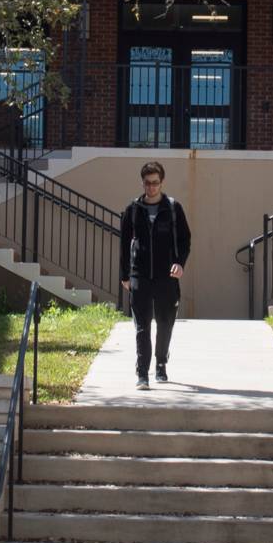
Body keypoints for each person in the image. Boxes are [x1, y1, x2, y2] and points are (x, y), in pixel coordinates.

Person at [118, 161, 190, 389]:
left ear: (162, 182)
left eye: (155, 183)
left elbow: (185, 239)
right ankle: (142, 373)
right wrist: (125, 275)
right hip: (140, 274)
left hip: (166, 276)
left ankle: (160, 364)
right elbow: (123, 244)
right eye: (148, 183)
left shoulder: (173, 208)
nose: (151, 187)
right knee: (142, 325)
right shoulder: (132, 210)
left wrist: (180, 264)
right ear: (143, 183)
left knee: (165, 322)